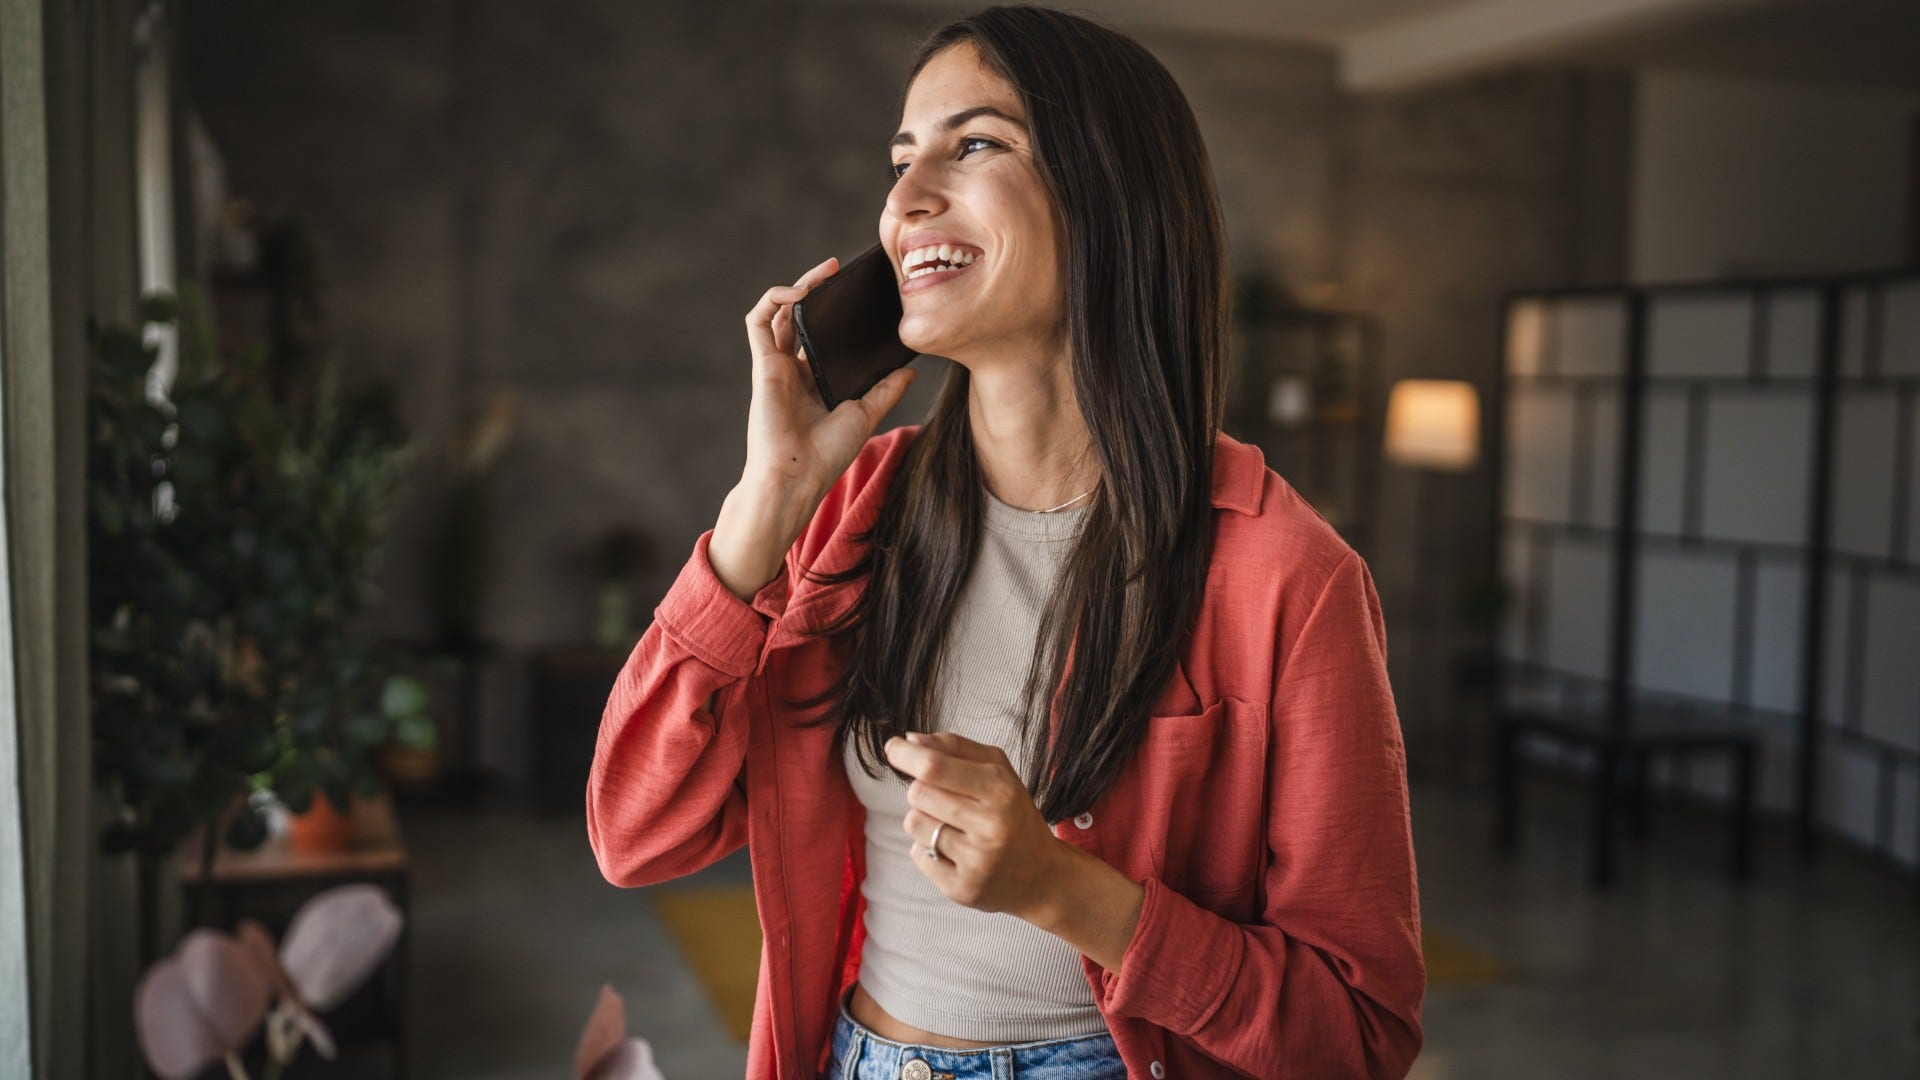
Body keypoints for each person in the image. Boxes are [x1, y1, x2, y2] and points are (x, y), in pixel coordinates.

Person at [587, 6, 1425, 1078]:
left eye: (974, 144)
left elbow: (1359, 1038)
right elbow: (633, 833)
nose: (904, 200)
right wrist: (767, 502)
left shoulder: (1288, 581)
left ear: (1109, 196)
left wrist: (1068, 894)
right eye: (901, 160)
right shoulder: (854, 515)